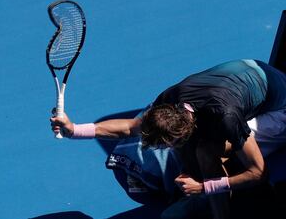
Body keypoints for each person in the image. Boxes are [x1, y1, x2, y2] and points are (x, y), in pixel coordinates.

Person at [50, 59, 286, 219]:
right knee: (191, 149)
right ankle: (200, 192)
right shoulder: (171, 98)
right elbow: (130, 127)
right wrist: (73, 129)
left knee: (206, 152)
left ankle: (214, 208)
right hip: (248, 76)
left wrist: (205, 185)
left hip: (279, 109)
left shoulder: (226, 117)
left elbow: (258, 173)